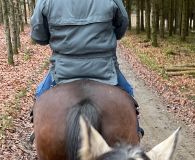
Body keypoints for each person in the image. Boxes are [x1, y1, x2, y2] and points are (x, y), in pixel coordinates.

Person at [30, 0, 143, 137]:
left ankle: (37, 132)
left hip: (62, 70)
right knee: (128, 95)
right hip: (105, 69)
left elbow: (39, 36)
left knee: (40, 96)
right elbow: (121, 26)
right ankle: (136, 131)